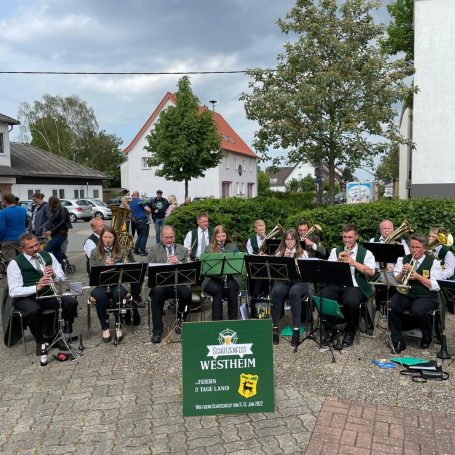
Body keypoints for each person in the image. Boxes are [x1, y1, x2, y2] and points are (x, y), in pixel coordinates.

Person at [7, 232, 78, 356]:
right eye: (31, 247)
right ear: (22, 249)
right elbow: (13, 291)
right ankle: (40, 341)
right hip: (26, 298)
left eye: (37, 245)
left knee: (70, 302)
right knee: (33, 310)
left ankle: (60, 335)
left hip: (48, 294)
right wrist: (37, 287)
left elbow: (62, 278)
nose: (36, 249)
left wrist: (54, 275)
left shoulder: (48, 256)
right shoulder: (15, 263)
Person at [322, 223, 376, 347]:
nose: (347, 240)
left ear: (356, 237)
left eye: (350, 237)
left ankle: (350, 332)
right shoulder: (335, 251)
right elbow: (328, 271)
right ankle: (330, 330)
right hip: (338, 283)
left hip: (355, 285)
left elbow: (371, 272)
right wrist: (337, 262)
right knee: (323, 297)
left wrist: (354, 263)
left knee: (351, 301)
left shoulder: (366, 253)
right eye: (344, 237)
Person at [389, 233, 444, 354]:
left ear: (424, 248)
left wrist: (418, 277)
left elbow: (436, 285)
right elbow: (395, 281)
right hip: (406, 293)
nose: (414, 250)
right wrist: (402, 273)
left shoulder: (433, 262)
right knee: (392, 304)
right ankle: (397, 340)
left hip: (426, 295)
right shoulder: (402, 259)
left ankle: (427, 335)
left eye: (417, 247)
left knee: (417, 310)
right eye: (412, 247)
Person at [89, 227, 138, 343]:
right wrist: (105, 266)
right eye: (105, 237)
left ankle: (118, 325)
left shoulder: (122, 251)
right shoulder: (94, 252)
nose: (107, 240)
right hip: (101, 284)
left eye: (110, 237)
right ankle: (105, 327)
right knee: (100, 296)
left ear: (114, 238)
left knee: (118, 294)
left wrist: (115, 266)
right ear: (101, 238)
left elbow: (130, 268)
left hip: (119, 283)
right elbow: (93, 272)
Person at [147, 225, 192, 344]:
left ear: (175, 237)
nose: (169, 240)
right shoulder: (154, 250)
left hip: (178, 282)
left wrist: (179, 262)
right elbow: (147, 270)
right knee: (156, 293)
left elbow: (189, 270)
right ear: (161, 238)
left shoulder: (183, 250)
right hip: (161, 284)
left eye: (171, 237)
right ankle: (157, 331)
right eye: (166, 237)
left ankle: (180, 321)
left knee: (186, 293)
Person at [271, 228, 310, 347]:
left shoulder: (303, 253)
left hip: (299, 282)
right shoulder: (279, 252)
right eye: (287, 239)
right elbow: (274, 271)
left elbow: (305, 274)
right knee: (276, 291)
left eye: (292, 239)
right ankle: (275, 328)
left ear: (296, 240)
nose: (289, 242)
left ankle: (296, 330)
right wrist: (283, 259)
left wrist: (294, 262)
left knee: (294, 293)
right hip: (283, 281)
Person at [202, 225, 240, 321]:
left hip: (229, 277)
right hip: (212, 279)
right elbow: (205, 271)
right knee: (218, 289)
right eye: (218, 237)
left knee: (231, 288)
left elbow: (237, 266)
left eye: (223, 236)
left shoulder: (232, 247)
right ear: (214, 237)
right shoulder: (209, 248)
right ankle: (217, 322)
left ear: (226, 236)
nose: (221, 239)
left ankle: (233, 320)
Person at [246, 220, 268, 318]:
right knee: (259, 276)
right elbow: (250, 257)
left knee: (262, 276)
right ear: (255, 230)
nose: (262, 232)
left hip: (268, 268)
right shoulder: (250, 241)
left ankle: (256, 299)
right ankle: (258, 301)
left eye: (263, 229)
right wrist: (258, 256)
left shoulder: (270, 238)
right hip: (256, 269)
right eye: (260, 230)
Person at [0, 193, 27, 262]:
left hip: (8, 241)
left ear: (5, 201)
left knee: (11, 263)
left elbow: (1, 229)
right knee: (23, 262)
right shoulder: (23, 210)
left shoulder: (3, 212)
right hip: (22, 238)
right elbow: (25, 223)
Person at [43, 196, 69, 266]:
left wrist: (51, 231)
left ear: (52, 202)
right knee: (57, 255)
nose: (49, 205)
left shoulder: (62, 209)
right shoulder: (55, 210)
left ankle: (44, 268)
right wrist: (47, 230)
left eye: (49, 203)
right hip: (56, 235)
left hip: (60, 235)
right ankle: (61, 270)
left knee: (45, 252)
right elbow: (52, 223)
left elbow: (62, 222)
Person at [129, 191, 149, 256]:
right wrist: (149, 210)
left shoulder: (131, 202)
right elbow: (148, 209)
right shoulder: (140, 201)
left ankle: (136, 250)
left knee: (140, 235)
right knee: (144, 236)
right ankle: (142, 251)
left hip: (136, 221)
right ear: (138, 195)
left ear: (133, 195)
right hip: (143, 220)